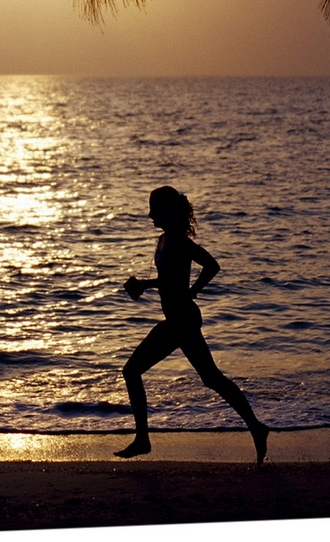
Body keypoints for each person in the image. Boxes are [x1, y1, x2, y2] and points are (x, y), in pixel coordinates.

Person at [116, 185, 269, 465]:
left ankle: (143, 440)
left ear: (167, 212)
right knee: (211, 378)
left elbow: (212, 265)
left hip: (182, 320)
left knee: (132, 370)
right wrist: (144, 285)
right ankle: (257, 428)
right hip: (177, 320)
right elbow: (169, 281)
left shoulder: (179, 242)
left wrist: (192, 290)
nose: (150, 215)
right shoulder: (163, 240)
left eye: (154, 209)